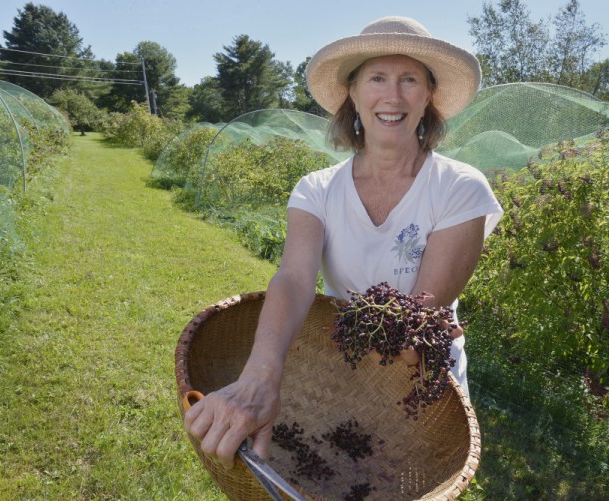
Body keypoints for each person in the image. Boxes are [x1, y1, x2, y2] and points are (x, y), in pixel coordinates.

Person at [184, 16, 503, 467]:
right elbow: (294, 279)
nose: (392, 96)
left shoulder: (460, 188)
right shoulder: (317, 189)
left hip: (422, 380)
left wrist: (418, 332)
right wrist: (260, 375)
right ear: (352, 93)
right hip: (343, 367)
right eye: (377, 78)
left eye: (409, 79)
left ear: (428, 94)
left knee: (401, 476)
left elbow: (418, 315)